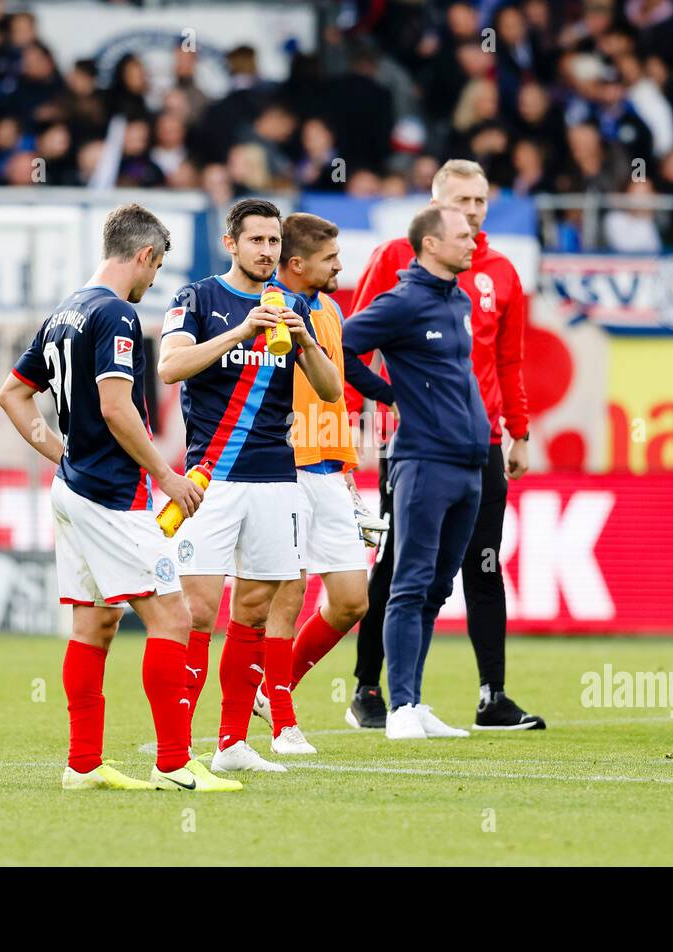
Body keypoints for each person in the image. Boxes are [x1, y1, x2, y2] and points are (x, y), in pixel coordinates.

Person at [0, 203, 240, 793]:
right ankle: (174, 763)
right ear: (144, 256)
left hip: (72, 490)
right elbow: (115, 407)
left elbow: (12, 395)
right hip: (111, 495)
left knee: (94, 623)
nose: (154, 280)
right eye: (156, 267)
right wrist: (166, 475)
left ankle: (82, 765)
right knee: (173, 616)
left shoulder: (65, 312)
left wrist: (61, 454)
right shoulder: (116, 316)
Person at [344, 158, 543, 732]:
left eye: (481, 202)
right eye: (462, 204)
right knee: (398, 569)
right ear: (435, 213)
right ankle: (372, 690)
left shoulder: (490, 278)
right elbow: (353, 339)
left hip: (474, 446)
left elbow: (509, 360)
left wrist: (517, 431)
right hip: (418, 447)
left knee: (473, 568)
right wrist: (371, 409)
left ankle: (490, 695)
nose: (474, 214)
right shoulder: (396, 265)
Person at [158, 198, 341, 772]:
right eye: (256, 241)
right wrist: (242, 329)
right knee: (198, 610)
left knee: (256, 608)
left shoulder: (294, 306)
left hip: (275, 477)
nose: (267, 251)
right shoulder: (197, 299)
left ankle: (232, 744)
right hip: (209, 477)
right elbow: (170, 367)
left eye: (273, 242)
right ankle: (178, 747)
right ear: (231, 244)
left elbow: (332, 391)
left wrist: (303, 337)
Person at [342, 206, 490, 741]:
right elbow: (340, 346)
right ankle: (399, 705)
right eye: (462, 235)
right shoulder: (403, 301)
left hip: (468, 463)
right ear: (429, 245)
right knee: (408, 583)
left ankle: (415, 700)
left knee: (436, 588)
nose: (472, 242)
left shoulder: (459, 299)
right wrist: (390, 394)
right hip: (423, 461)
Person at [247, 213, 382, 750]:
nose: (340, 266)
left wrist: (346, 469)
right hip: (286, 465)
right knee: (289, 592)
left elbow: (336, 395)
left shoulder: (329, 308)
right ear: (298, 264)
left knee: (351, 599)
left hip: (329, 468)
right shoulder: (270, 308)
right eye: (331, 259)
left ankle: (267, 687)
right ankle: (282, 720)